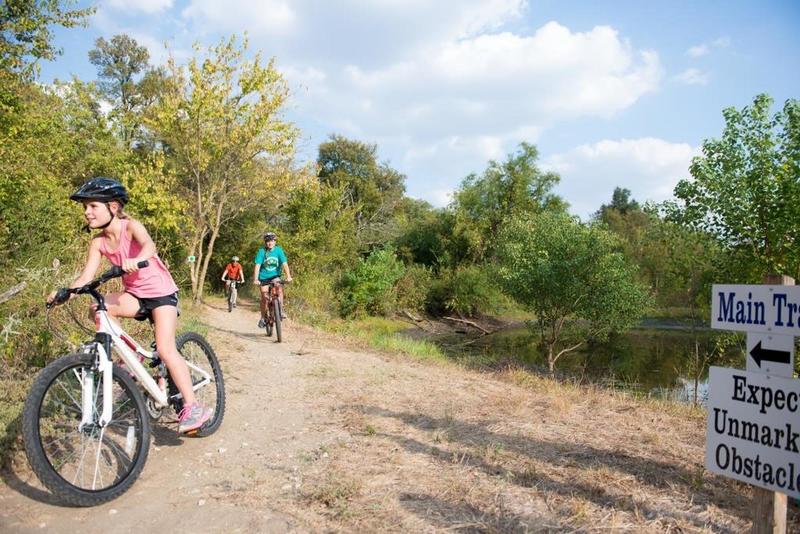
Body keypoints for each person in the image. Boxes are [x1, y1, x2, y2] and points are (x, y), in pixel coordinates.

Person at [46, 177, 211, 434]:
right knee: (98, 309)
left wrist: (138, 259)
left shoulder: (131, 226)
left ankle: (192, 407)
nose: (87, 212)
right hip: (134, 294)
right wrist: (66, 293)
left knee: (166, 349)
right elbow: (86, 277)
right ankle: (130, 358)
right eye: (85, 208)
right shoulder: (98, 242)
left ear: (112, 207)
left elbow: (149, 245)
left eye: (92, 206)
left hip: (162, 295)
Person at [253, 231, 292, 327]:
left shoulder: (279, 250)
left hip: (275, 276)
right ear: (265, 242)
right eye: (267, 241)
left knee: (279, 288)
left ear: (275, 241)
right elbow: (257, 265)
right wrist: (255, 279)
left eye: (271, 241)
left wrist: (288, 276)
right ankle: (262, 318)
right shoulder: (262, 251)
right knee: (264, 297)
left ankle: (281, 311)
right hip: (263, 278)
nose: (269, 243)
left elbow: (284, 264)